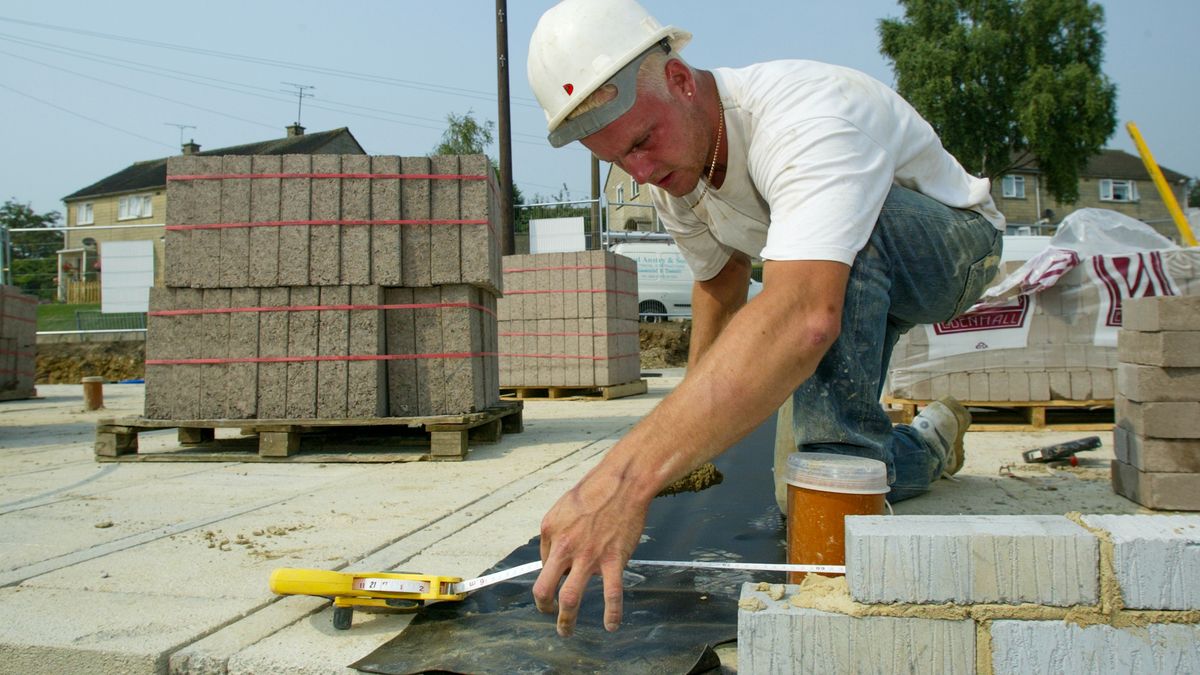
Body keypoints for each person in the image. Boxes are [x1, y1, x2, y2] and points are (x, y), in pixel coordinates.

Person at [525, 0, 1005, 637]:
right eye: (618, 161)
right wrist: (687, 448)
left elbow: (805, 315)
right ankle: (926, 447)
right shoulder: (677, 173)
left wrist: (624, 479)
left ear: (679, 80)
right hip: (846, 279)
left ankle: (848, 536)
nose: (640, 172)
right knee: (797, 486)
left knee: (829, 448)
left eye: (642, 141)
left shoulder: (805, 116)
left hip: (952, 252)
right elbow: (719, 289)